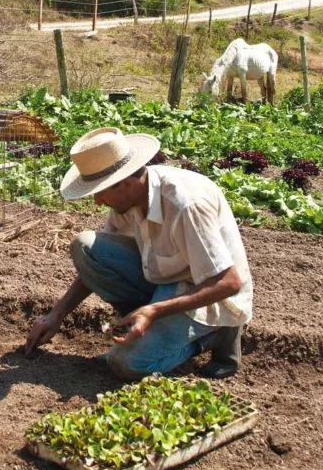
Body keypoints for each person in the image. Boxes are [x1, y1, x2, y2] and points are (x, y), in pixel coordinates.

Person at [25, 127, 252, 379]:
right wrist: (56, 314)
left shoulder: (186, 205)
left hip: (209, 295)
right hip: (164, 278)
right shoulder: (129, 199)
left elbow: (229, 283)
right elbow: (98, 264)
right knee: (85, 246)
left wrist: (154, 311)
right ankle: (146, 327)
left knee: (126, 363)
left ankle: (214, 335)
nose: (98, 202)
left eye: (100, 192)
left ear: (124, 182)